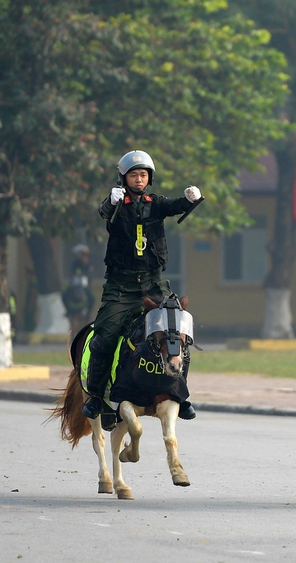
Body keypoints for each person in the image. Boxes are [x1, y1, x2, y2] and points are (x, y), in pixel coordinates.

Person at [81, 150, 201, 421]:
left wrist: (190, 199)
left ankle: (180, 394)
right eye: (133, 175)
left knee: (179, 329)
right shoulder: (116, 203)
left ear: (150, 178)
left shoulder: (155, 203)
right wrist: (112, 203)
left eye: (143, 175)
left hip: (153, 283)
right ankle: (97, 396)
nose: (138, 179)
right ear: (123, 178)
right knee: (104, 336)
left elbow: (174, 206)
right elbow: (104, 212)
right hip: (121, 286)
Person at [62, 244, 95, 332]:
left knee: (92, 297)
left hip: (84, 283)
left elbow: (90, 272)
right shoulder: (74, 262)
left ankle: (88, 313)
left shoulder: (88, 262)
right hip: (75, 282)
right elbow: (71, 272)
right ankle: (68, 311)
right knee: (64, 295)